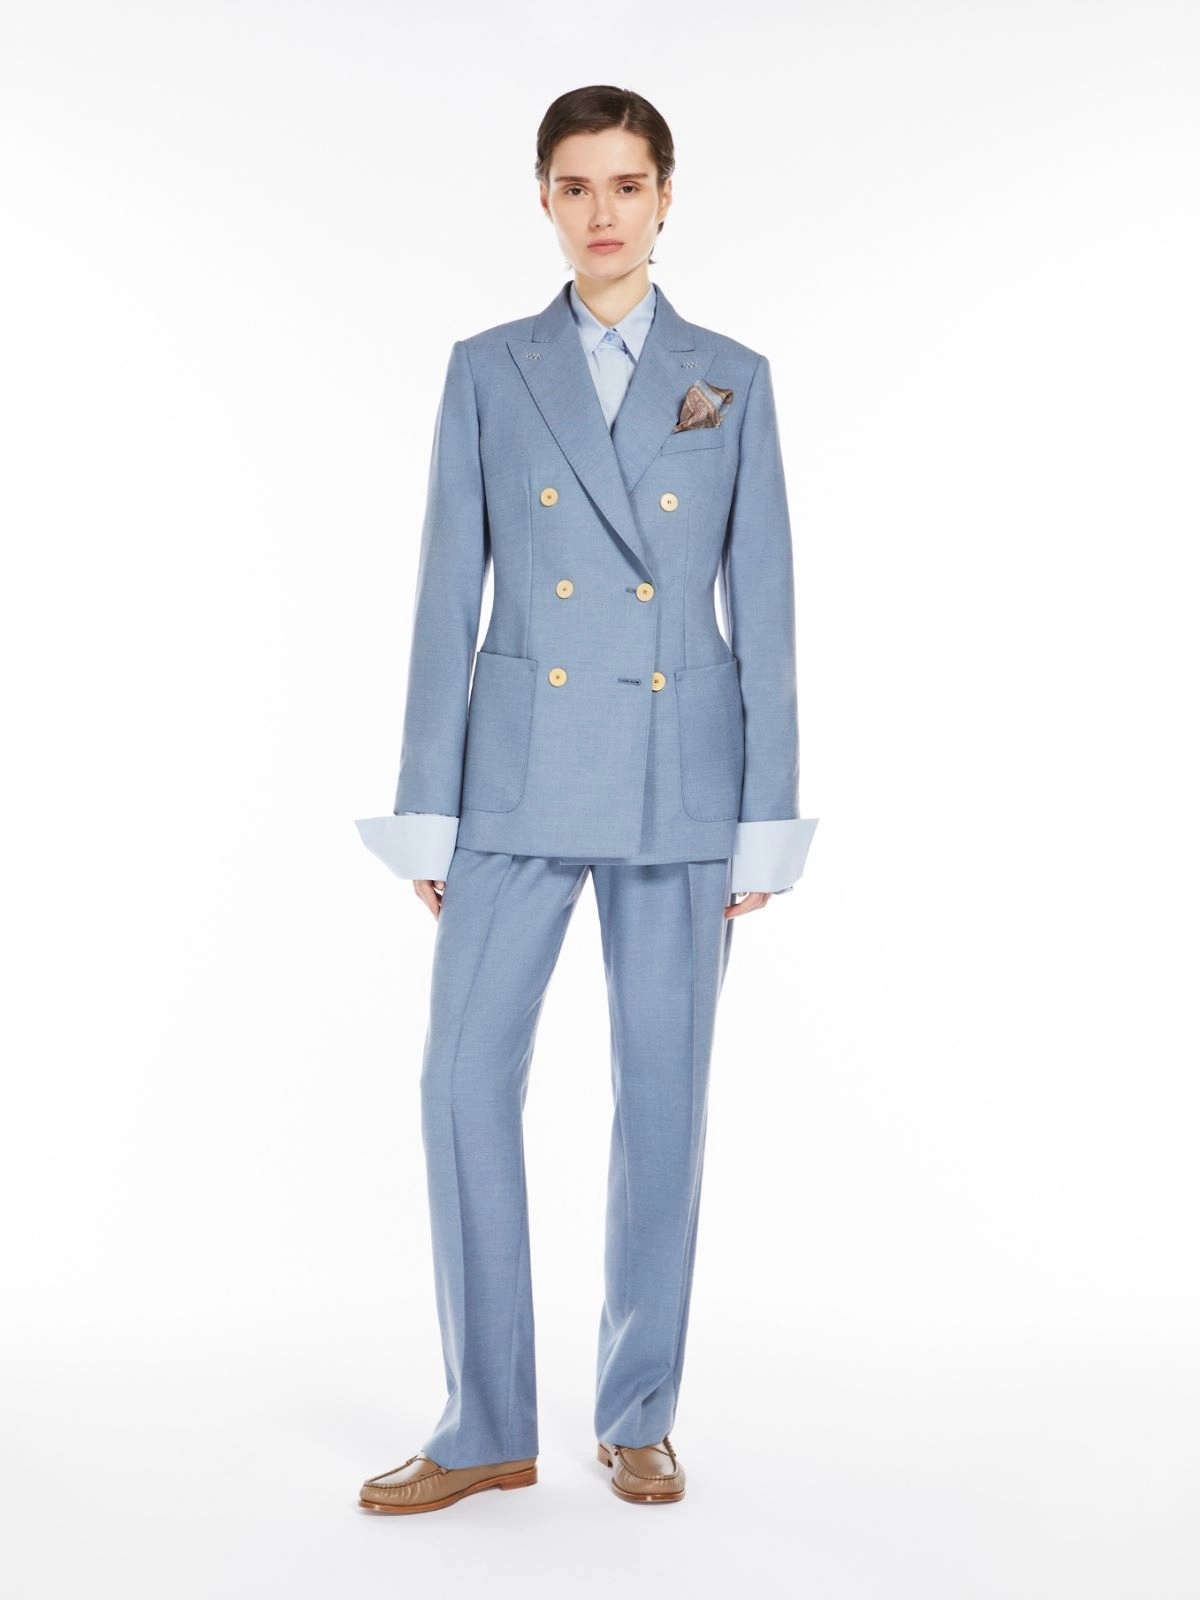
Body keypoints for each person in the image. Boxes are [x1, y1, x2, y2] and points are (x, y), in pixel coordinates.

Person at [353, 84, 818, 1513]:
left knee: (664, 1101)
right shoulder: (487, 369)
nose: (603, 211)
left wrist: (767, 814)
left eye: (627, 183)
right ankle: (486, 1422)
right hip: (516, 772)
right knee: (458, 1083)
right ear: (545, 200)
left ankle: (640, 1412)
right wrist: (428, 804)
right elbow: (447, 596)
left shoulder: (730, 375)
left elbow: (767, 611)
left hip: (683, 774)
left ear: (667, 196)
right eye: (576, 184)